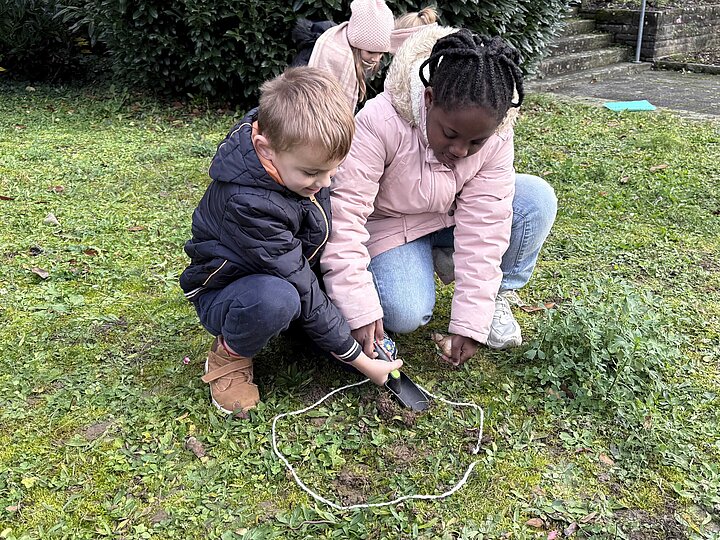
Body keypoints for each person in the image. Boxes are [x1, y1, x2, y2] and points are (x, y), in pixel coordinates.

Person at [320, 27, 557, 367]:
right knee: (404, 313)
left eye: (476, 142)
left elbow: (486, 224)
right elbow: (343, 218)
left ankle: (496, 294)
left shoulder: (497, 136)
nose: (461, 150)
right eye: (450, 134)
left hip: (450, 216)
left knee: (534, 200)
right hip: (390, 228)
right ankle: (423, 260)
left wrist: (472, 319)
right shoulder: (378, 121)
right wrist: (358, 306)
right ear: (429, 99)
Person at [179, 67, 402, 414]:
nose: (326, 183)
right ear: (265, 149)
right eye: (313, 173)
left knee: (328, 312)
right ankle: (230, 355)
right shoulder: (248, 203)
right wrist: (360, 361)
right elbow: (297, 284)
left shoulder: (298, 162)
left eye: (333, 170)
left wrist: (351, 316)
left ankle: (304, 333)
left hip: (289, 274)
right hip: (233, 292)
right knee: (278, 300)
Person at [306, 0, 395, 112]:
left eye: (381, 53)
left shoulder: (358, 60)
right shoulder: (330, 56)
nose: (376, 59)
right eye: (370, 52)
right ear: (355, 45)